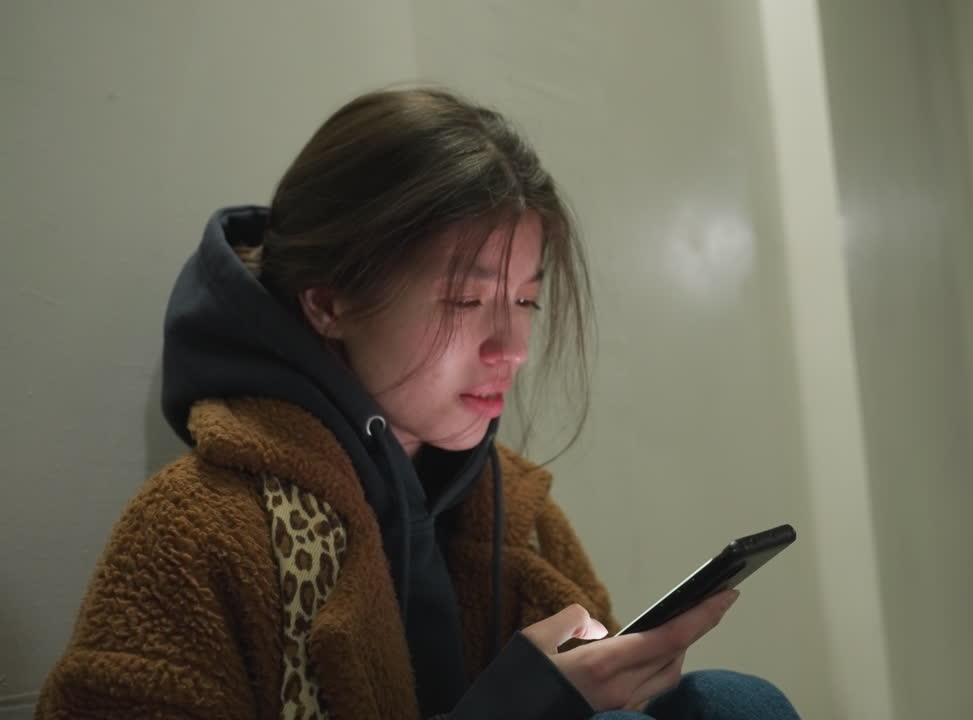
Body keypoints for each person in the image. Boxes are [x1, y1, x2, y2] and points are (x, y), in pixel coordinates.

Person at [36, 87, 800, 719]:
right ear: (330, 303)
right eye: (466, 301)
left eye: (526, 302)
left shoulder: (515, 514)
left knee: (738, 705)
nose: (513, 349)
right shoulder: (196, 529)